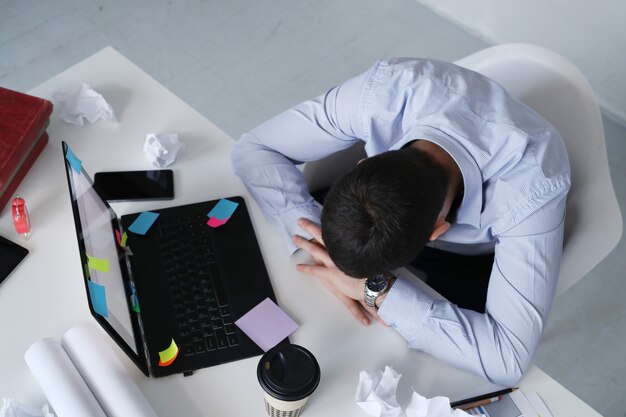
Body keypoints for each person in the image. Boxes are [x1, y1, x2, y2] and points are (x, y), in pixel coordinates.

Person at [231, 58, 570, 386]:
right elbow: (255, 148)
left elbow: (508, 359)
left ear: (436, 233)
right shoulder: (386, 91)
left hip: (475, 256)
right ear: (362, 165)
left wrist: (374, 290)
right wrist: (314, 242)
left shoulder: (531, 190)